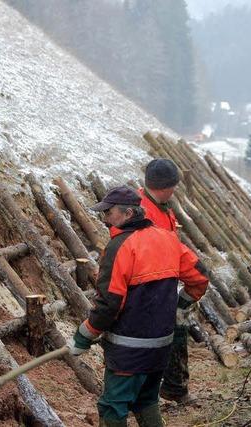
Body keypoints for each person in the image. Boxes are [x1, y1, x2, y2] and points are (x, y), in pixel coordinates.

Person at [69, 186, 209, 427]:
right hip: (161, 344)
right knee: (146, 400)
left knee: (113, 406)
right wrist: (180, 304)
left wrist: (85, 334)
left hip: (128, 348)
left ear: (128, 214)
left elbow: (109, 302)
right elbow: (200, 277)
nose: (104, 219)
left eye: (108, 213)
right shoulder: (168, 238)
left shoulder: (120, 247)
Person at [138, 158, 193, 404]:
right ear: (166, 186)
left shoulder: (161, 206)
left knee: (177, 328)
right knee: (159, 335)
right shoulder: (143, 211)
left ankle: (173, 387)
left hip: (164, 281)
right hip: (150, 285)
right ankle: (160, 390)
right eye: (173, 186)